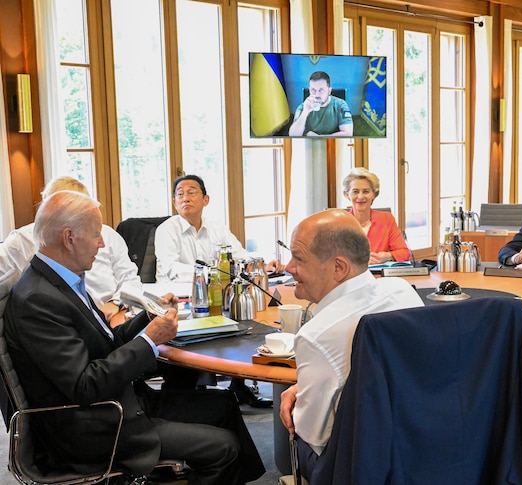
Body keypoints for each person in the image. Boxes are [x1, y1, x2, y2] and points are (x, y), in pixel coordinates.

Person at [3, 190, 265, 483]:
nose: (102, 244)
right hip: (95, 429)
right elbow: (85, 385)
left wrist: (146, 317)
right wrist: (149, 341)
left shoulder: (60, 282)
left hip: (117, 404)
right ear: (69, 238)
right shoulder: (38, 300)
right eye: (96, 235)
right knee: (224, 449)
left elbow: (103, 345)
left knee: (225, 403)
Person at [278, 209, 424, 480]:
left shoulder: (316, 336)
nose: (288, 267)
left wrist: (304, 396)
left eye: (298, 258)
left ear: (338, 267)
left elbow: (314, 435)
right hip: (423, 445)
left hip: (362, 466)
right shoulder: (401, 290)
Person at [154, 174, 277, 407]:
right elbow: (171, 268)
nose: (185, 198)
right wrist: (210, 271)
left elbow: (238, 255)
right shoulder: (166, 230)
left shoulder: (216, 228)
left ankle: (239, 386)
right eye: (179, 194)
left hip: (217, 293)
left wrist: (261, 262)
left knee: (244, 323)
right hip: (182, 300)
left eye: (191, 192)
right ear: (174, 202)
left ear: (206, 199)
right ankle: (196, 392)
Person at [0, 176, 142, 321]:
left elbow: (130, 279)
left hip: (111, 316)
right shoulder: (21, 242)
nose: (101, 244)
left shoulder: (109, 237)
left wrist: (116, 304)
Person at [342, 167, 410, 264]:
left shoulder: (386, 219)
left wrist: (388, 256)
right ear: (347, 194)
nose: (360, 197)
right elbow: (330, 258)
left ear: (374, 194)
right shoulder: (338, 223)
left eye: (366, 191)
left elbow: (405, 253)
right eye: (355, 191)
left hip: (379, 276)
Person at [288, 71, 353, 137]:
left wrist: (318, 138)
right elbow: (292, 135)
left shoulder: (340, 105)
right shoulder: (303, 107)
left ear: (329, 91)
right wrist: (305, 113)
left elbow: (348, 134)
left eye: (321, 90)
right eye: (313, 90)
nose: (317, 95)